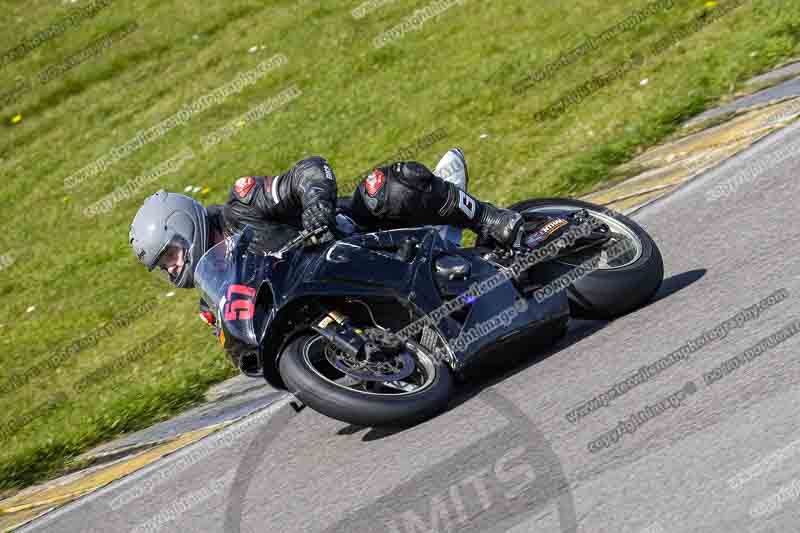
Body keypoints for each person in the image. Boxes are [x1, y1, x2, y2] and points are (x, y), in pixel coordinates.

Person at [129, 149, 541, 374]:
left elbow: (311, 169)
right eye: (163, 266)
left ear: (183, 227)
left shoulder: (243, 205)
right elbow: (244, 354)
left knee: (387, 188)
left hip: (360, 239)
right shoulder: (213, 302)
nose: (170, 269)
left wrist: (315, 209)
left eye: (169, 255)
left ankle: (493, 220)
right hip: (333, 309)